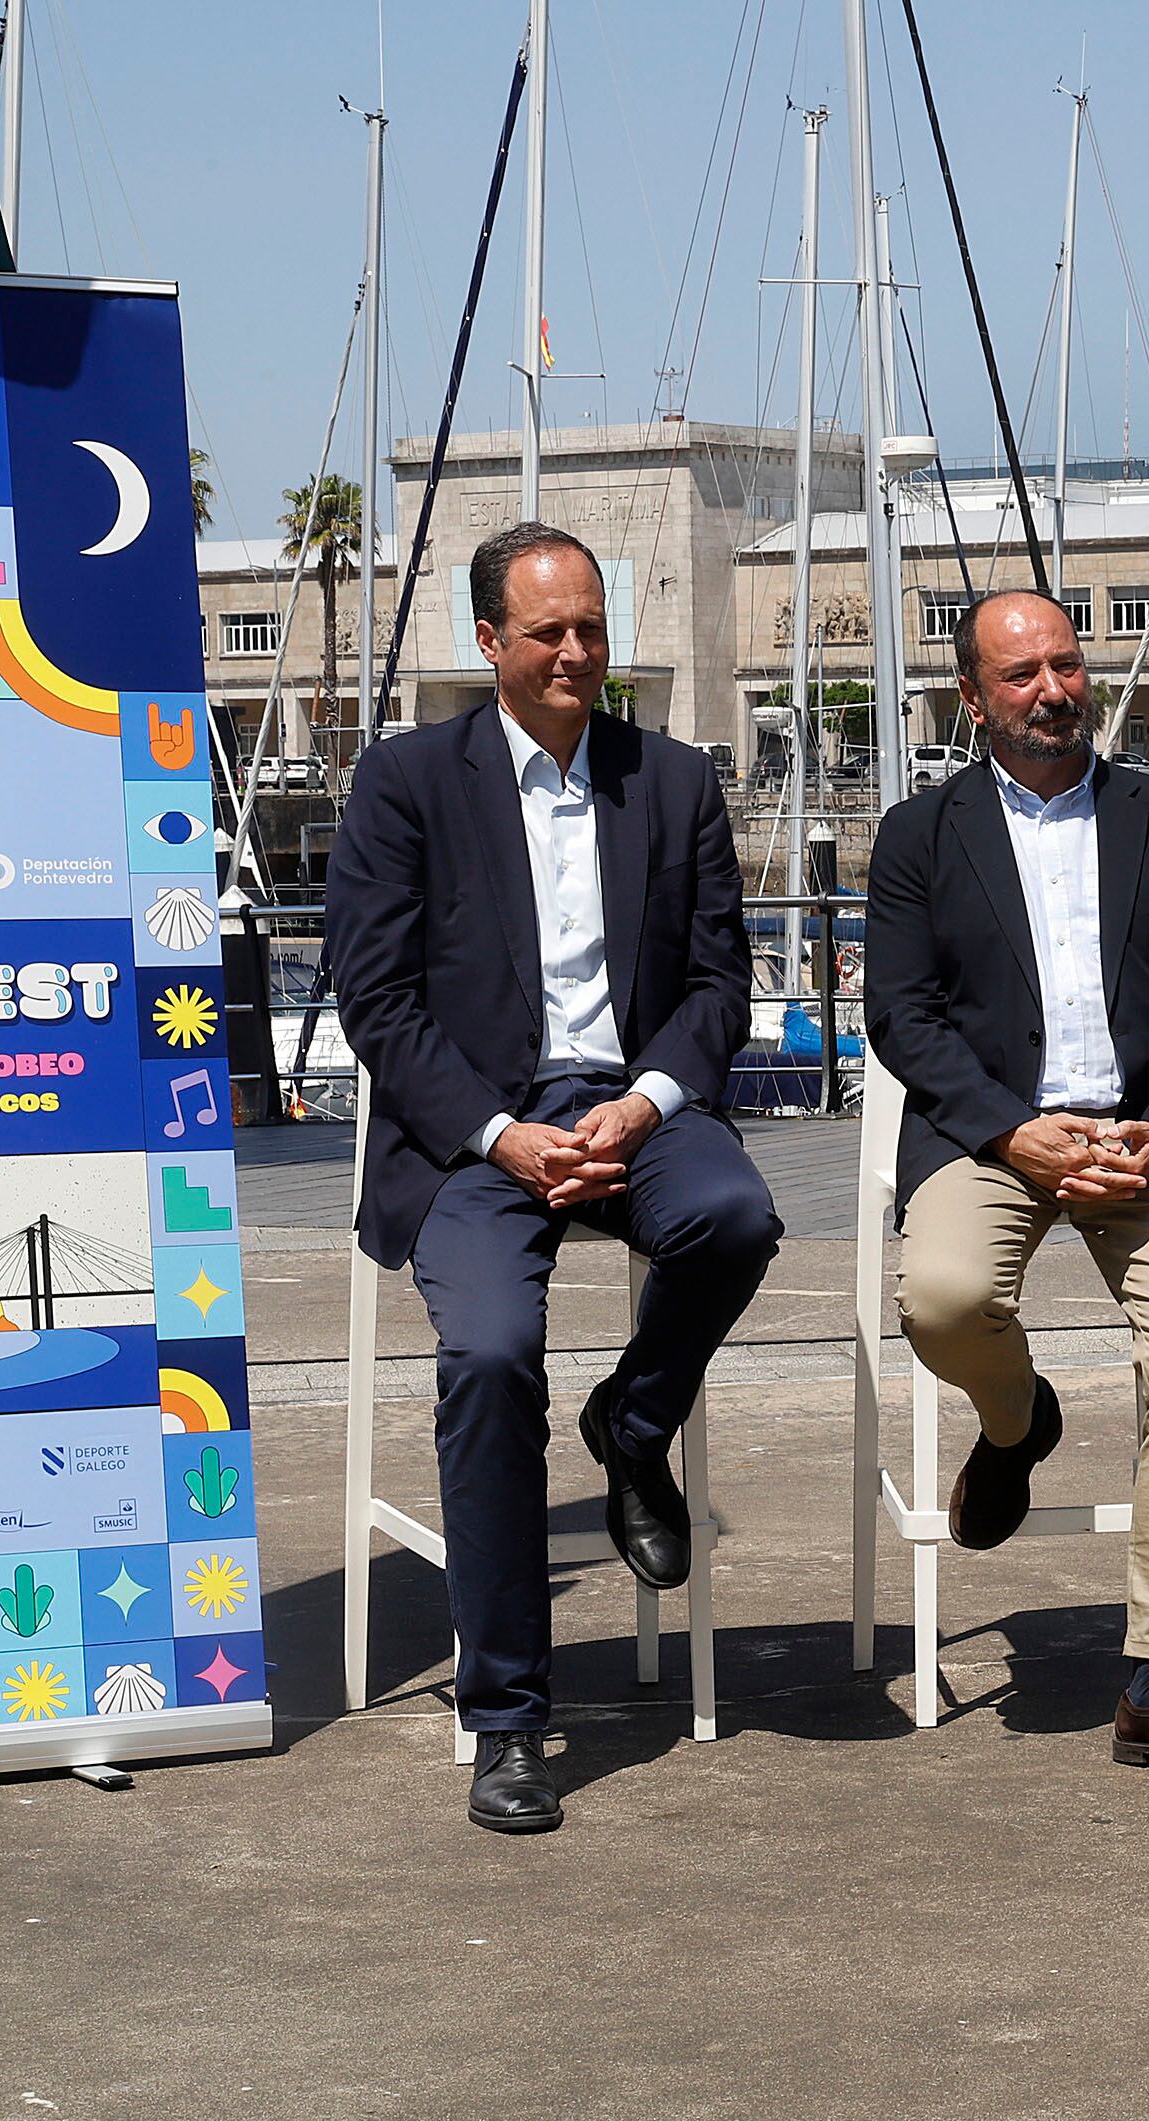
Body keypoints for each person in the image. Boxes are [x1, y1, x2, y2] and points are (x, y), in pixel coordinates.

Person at [328, 522, 783, 1837]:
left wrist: (640, 1107)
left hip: (633, 1106)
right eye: (549, 632)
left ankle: (630, 1428)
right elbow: (377, 999)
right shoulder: (407, 782)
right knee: (487, 1355)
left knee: (737, 1216)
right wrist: (499, 1134)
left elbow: (719, 987)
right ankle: (509, 1717)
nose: (578, 652)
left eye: (592, 627)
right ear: (489, 642)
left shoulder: (672, 778)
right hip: (475, 1130)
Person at [865, 589, 1149, 1768]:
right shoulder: (919, 835)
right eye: (1022, 674)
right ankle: (1016, 1419)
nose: (1053, 691)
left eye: (1067, 665)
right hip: (992, 1141)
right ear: (973, 698)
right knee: (942, 1296)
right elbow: (903, 1016)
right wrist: (1009, 1130)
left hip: (1143, 1143)